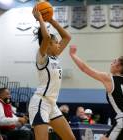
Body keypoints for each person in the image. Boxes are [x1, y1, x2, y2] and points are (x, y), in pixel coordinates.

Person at [28, 6, 75, 140]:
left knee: (70, 138)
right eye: (56, 43)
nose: (59, 45)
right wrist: (41, 19)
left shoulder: (55, 57)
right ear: (48, 45)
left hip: (52, 104)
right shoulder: (42, 57)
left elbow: (67, 36)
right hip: (40, 103)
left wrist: (51, 20)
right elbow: (47, 36)